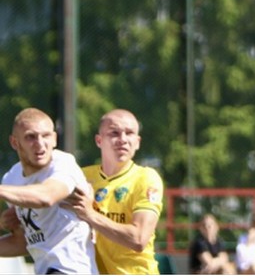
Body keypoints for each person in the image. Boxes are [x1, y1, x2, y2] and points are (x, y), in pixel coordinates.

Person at [61, 108, 164, 274]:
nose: (122, 139)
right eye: (114, 133)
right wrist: (20, 214)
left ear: (137, 142)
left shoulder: (146, 178)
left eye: (129, 133)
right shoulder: (81, 176)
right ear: (99, 140)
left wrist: (90, 215)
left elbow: (139, 238)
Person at [0, 108, 97, 274]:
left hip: (71, 270)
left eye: (46, 136)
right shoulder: (11, 179)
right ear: (15, 142)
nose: (40, 143)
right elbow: (23, 243)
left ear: (54, 139)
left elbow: (46, 197)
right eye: (31, 137)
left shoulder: (63, 164)